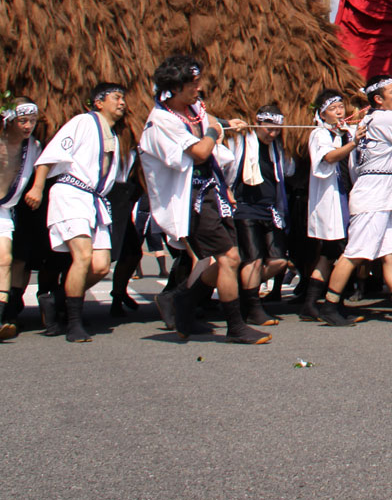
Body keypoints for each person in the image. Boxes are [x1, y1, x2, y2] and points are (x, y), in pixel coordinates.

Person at [137, 54, 271, 345]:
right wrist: (214, 131)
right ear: (174, 88)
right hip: (190, 199)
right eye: (193, 84)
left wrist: (218, 124)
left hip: (211, 191)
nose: (198, 89)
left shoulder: (192, 108)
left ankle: (181, 302)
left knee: (221, 258)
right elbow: (199, 151)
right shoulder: (161, 120)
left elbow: (207, 120)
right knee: (229, 258)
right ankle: (235, 326)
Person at [316, 76, 392, 327]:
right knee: (355, 253)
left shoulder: (371, 118)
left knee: (390, 254)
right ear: (379, 99)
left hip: (379, 188)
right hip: (374, 191)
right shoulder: (382, 118)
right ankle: (329, 304)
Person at [25, 83, 127, 343]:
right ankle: (73, 322)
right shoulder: (82, 122)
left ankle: (57, 298)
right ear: (98, 102)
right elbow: (52, 154)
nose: (122, 102)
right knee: (82, 256)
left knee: (101, 266)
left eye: (123, 98)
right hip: (71, 194)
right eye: (116, 97)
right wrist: (38, 187)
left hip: (95, 200)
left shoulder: (114, 136)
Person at [226, 104, 294, 328]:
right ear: (258, 124)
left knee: (279, 261)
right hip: (245, 206)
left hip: (270, 209)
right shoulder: (242, 142)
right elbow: (225, 165)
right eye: (268, 129)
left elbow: (289, 171)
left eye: (276, 130)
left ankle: (242, 290)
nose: (272, 134)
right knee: (253, 259)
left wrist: (288, 147)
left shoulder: (277, 149)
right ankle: (253, 307)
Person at [301, 90, 363, 321]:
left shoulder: (343, 131)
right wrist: (353, 142)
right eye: (333, 109)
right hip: (331, 199)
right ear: (322, 113)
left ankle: (311, 304)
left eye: (340, 107)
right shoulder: (320, 134)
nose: (339, 112)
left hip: (345, 195)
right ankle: (332, 302)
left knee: (329, 255)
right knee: (344, 251)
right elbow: (328, 158)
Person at [0, 98, 41, 339]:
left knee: (6, 259)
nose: (28, 126)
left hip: (4, 210)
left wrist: (37, 186)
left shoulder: (33, 147)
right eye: (23, 120)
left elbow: (47, 164)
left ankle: (4, 316)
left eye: (32, 121)